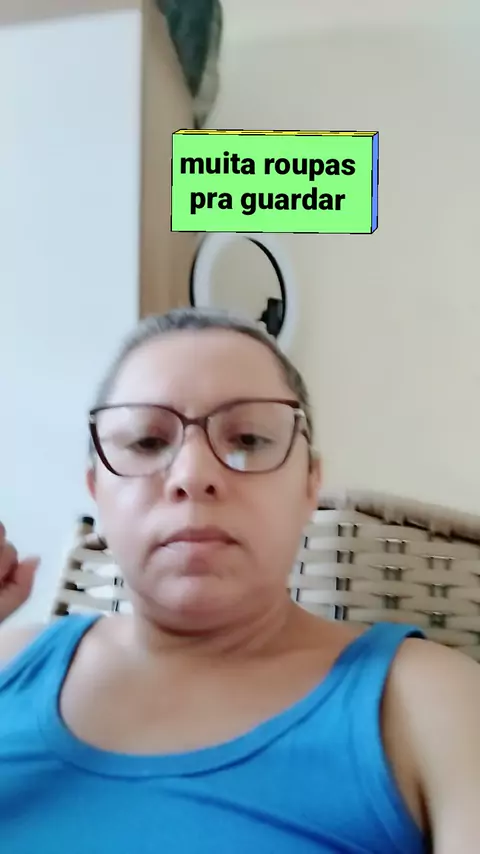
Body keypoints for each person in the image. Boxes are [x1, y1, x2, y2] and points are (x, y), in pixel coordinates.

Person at [0, 307, 479, 854]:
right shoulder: (8, 662)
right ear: (96, 492)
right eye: (147, 442)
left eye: (248, 438)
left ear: (310, 485)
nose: (192, 475)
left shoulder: (430, 703)